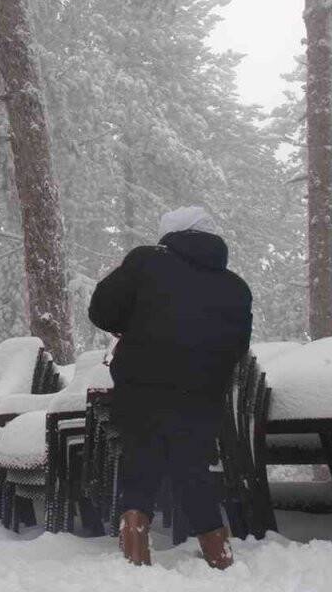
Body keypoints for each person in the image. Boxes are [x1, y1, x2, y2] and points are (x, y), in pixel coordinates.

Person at [88, 207, 252, 570]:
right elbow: (239, 346)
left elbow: (102, 310)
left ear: (170, 235)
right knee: (191, 466)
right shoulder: (236, 287)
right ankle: (217, 553)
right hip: (203, 392)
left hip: (143, 383)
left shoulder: (146, 261)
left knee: (141, 457)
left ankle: (135, 550)